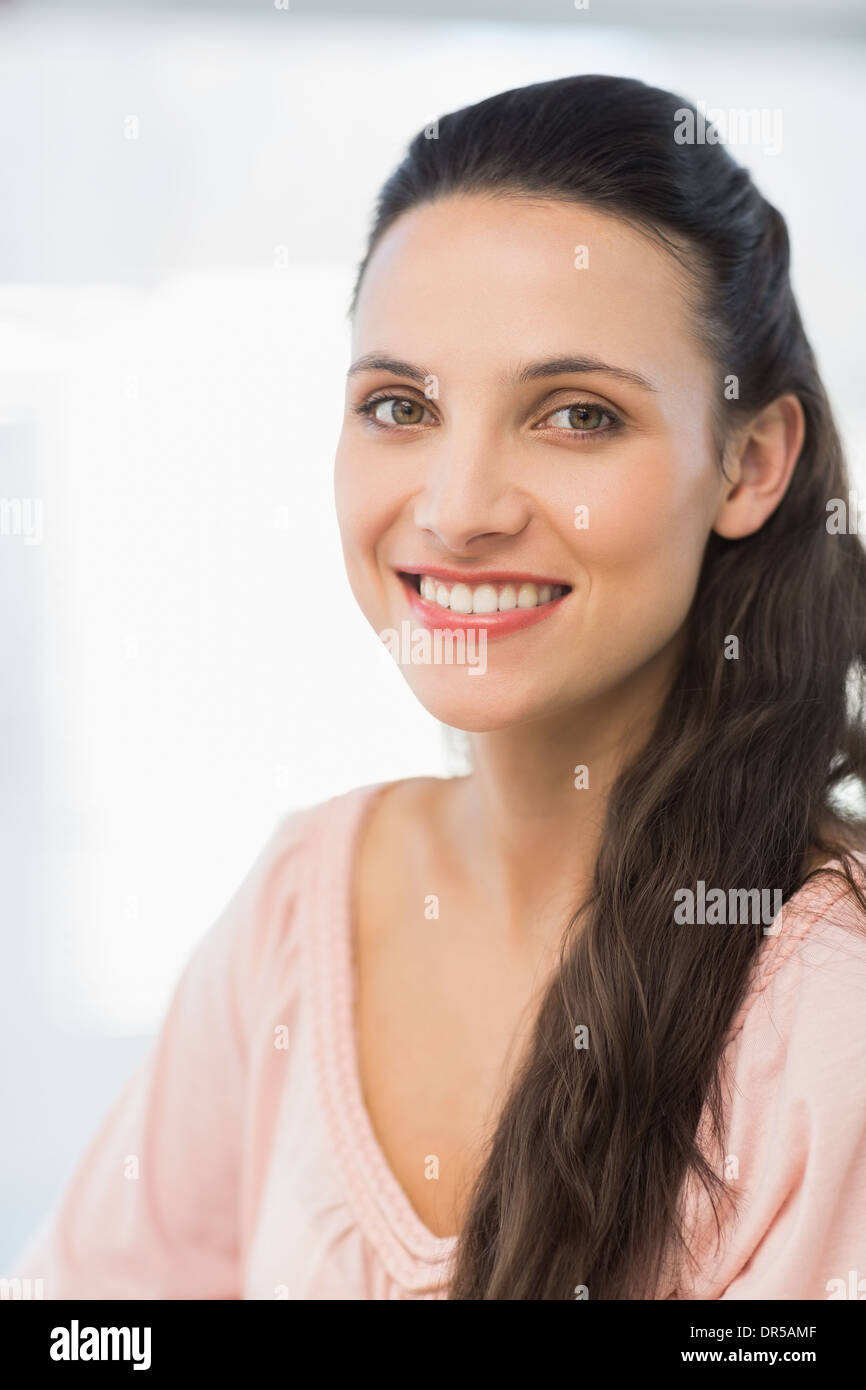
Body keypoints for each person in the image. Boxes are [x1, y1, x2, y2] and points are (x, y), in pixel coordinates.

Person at [12, 74, 866, 1301]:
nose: (459, 510)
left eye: (575, 415)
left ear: (748, 461)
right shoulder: (302, 903)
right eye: (400, 406)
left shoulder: (825, 1010)